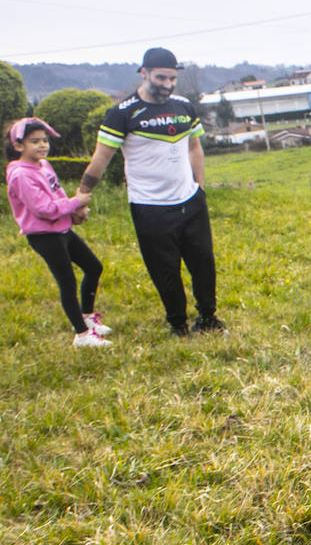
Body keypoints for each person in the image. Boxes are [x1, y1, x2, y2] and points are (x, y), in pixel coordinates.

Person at [79, 47, 223, 336]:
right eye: (160, 77)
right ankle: (178, 324)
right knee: (165, 270)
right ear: (143, 73)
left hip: (190, 201)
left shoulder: (183, 106)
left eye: (172, 79)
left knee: (203, 264)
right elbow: (102, 157)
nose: (167, 85)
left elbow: (194, 147)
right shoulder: (122, 113)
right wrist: (83, 195)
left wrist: (199, 187)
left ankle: (208, 318)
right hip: (150, 206)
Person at [6, 118, 110, 347]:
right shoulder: (21, 174)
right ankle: (82, 335)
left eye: (44, 140)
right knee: (67, 282)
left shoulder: (44, 165)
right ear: (18, 146)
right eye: (35, 141)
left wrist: (77, 211)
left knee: (94, 267)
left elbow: (57, 192)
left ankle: (87, 317)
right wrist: (76, 202)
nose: (43, 145)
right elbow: (42, 209)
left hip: (62, 230)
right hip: (44, 236)